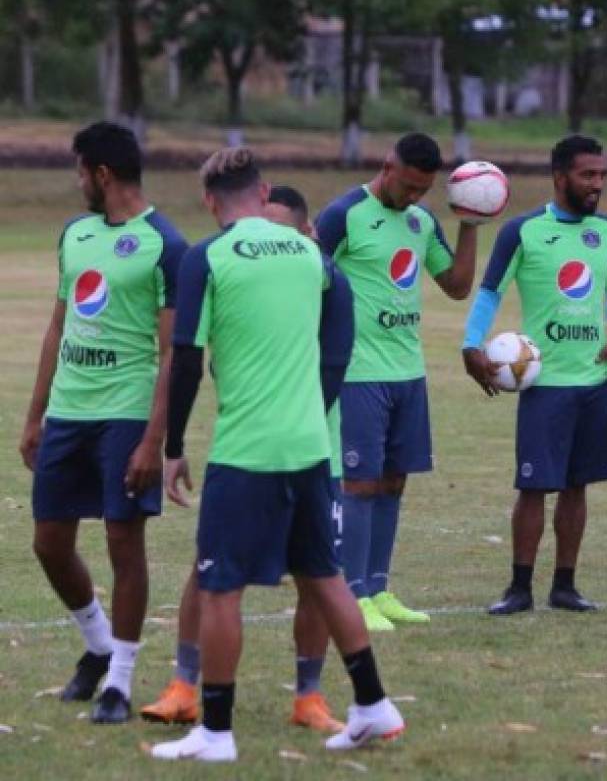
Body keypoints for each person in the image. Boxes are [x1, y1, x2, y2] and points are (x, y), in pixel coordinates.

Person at [151, 149, 403, 762]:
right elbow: (340, 346)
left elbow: (185, 357)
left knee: (219, 588)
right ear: (264, 193)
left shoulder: (206, 256)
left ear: (212, 201)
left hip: (247, 451)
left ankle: (214, 732)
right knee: (323, 576)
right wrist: (311, 409)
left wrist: (174, 446)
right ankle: (373, 706)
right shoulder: (312, 255)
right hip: (311, 446)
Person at [140, 184, 345, 734]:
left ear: (305, 236)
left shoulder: (321, 276)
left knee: (317, 576)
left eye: (281, 232)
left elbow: (337, 354)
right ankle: (185, 685)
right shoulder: (235, 264)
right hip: (250, 445)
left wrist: (307, 406)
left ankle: (310, 696)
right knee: (209, 570)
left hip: (312, 447)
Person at [18, 121, 186, 723]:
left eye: (80, 171)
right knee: (49, 542)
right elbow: (58, 327)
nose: (78, 181)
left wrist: (154, 438)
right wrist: (35, 415)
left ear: (102, 174)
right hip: (69, 411)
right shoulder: (76, 234)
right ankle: (96, 644)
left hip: (125, 414)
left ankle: (118, 680)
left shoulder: (165, 243)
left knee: (122, 540)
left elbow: (173, 352)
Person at [462, 135, 607, 615]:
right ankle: (519, 588)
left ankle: (565, 585)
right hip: (545, 386)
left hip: (593, 382)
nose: (597, 184)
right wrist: (470, 345)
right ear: (560, 178)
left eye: (602, 174)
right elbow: (490, 291)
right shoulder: (522, 232)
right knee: (534, 485)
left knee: (578, 486)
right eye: (587, 175)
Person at [316, 134, 477, 631]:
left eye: (423, 190)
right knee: (359, 483)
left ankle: (380, 589)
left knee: (393, 481)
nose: (413, 197)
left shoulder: (421, 222)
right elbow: (306, 273)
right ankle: (353, 593)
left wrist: (470, 225)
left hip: (409, 372)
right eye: (408, 186)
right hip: (358, 373)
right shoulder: (343, 215)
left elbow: (456, 286)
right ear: (387, 166)